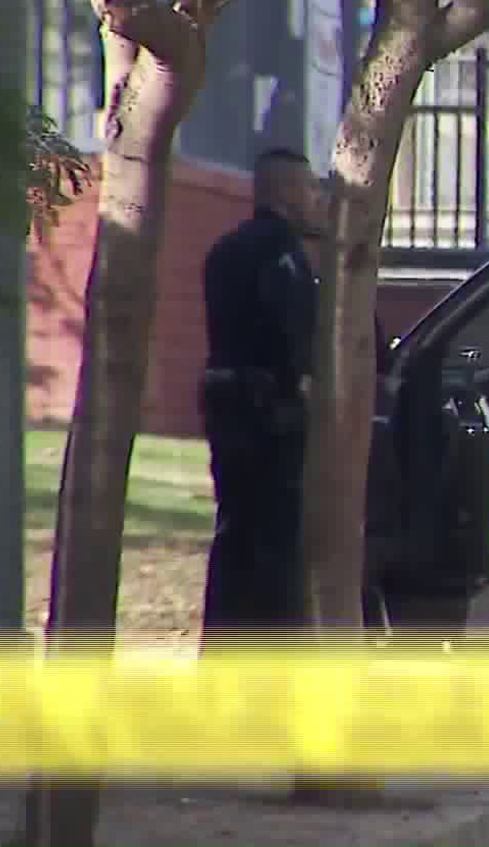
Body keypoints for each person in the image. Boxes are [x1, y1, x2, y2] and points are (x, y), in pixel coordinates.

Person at [198, 147, 321, 646]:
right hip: (267, 412)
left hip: (225, 403)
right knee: (272, 538)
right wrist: (301, 387)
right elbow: (289, 333)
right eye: (309, 188)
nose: (316, 199)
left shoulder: (225, 249)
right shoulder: (284, 255)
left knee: (233, 528)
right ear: (287, 192)